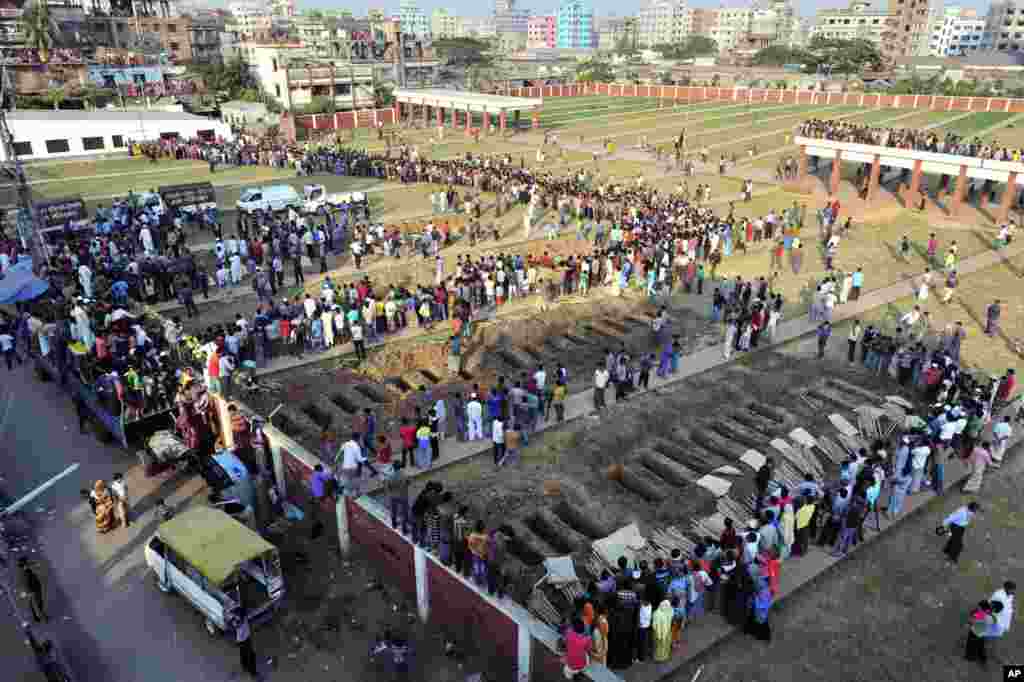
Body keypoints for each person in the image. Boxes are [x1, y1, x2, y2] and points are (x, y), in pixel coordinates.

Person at [19, 558, 46, 623]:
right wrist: (30, 591)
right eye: (26, 564)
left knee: (36, 604)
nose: (28, 565)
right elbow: (26, 583)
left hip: (35, 590)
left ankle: (38, 617)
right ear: (23, 565)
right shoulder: (25, 573)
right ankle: (42, 618)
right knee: (37, 604)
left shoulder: (27, 571)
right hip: (33, 591)